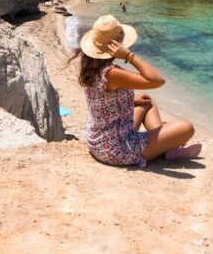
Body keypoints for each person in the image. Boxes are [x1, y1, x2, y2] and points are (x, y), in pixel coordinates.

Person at [77, 15, 201, 167]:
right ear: (118, 46)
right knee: (186, 128)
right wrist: (129, 56)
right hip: (117, 149)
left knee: (146, 101)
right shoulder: (112, 73)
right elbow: (157, 80)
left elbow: (102, 100)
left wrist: (133, 100)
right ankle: (167, 148)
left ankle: (164, 145)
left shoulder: (91, 69)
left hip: (98, 141)